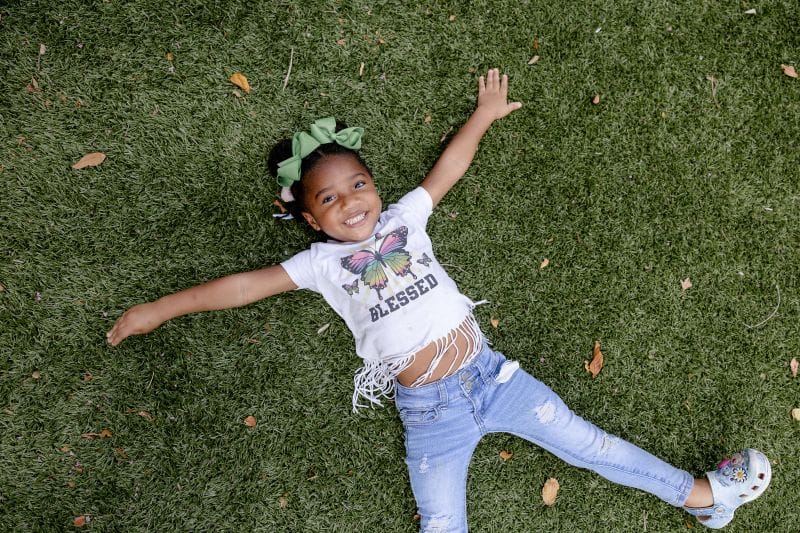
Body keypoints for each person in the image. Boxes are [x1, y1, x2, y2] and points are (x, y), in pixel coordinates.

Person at [106, 69, 770, 532]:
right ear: (310, 219)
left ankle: (706, 498)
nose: (350, 202)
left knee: (589, 442)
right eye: (328, 199)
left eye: (356, 183)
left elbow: (446, 170)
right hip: (429, 414)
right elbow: (244, 285)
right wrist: (157, 308)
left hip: (495, 375)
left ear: (374, 183)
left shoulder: (404, 219)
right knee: (442, 519)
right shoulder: (319, 264)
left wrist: (480, 116)